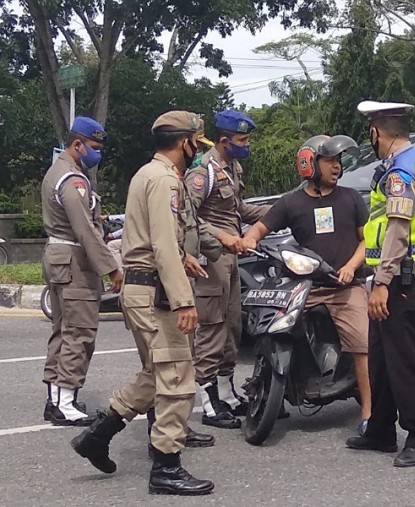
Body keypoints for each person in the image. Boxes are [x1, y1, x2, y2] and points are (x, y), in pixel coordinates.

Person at [70, 111, 214, 497]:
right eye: (196, 144)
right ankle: (166, 467)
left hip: (140, 287)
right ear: (184, 142)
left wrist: (185, 258)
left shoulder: (145, 174)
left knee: (156, 374)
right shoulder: (166, 180)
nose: (198, 151)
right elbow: (163, 244)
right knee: (179, 380)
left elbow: (151, 238)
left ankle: (97, 435)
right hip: (155, 293)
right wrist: (184, 300)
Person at [243, 134, 372, 434]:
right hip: (305, 286)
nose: (336, 167)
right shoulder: (291, 202)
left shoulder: (351, 198)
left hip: (345, 286)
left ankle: (368, 411)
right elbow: (260, 228)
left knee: (363, 345)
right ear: (309, 164)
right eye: (329, 161)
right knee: (272, 323)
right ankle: (274, 384)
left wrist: (352, 267)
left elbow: (367, 240)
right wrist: (248, 240)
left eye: (338, 161)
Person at [345, 101, 415, 468]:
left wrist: (381, 282)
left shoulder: (402, 171)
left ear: (378, 132)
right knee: (381, 360)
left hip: (401, 280)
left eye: (370, 131)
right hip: (394, 277)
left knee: (403, 362)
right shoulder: (402, 165)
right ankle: (381, 430)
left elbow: (398, 230)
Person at [184, 110, 270, 429]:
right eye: (242, 140)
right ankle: (208, 402)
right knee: (212, 327)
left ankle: (226, 393)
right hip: (211, 257)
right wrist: (222, 237)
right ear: (224, 141)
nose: (246, 145)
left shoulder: (232, 167)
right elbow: (185, 215)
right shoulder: (201, 171)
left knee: (232, 327)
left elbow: (239, 209)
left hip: (232, 258)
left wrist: (279, 213)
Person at [41, 116, 123, 426]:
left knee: (63, 331)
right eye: (94, 147)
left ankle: (55, 399)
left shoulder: (59, 172)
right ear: (78, 145)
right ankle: (66, 402)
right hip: (74, 259)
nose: (97, 153)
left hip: (61, 256)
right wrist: (111, 268)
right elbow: (85, 230)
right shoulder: (72, 179)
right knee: (80, 332)